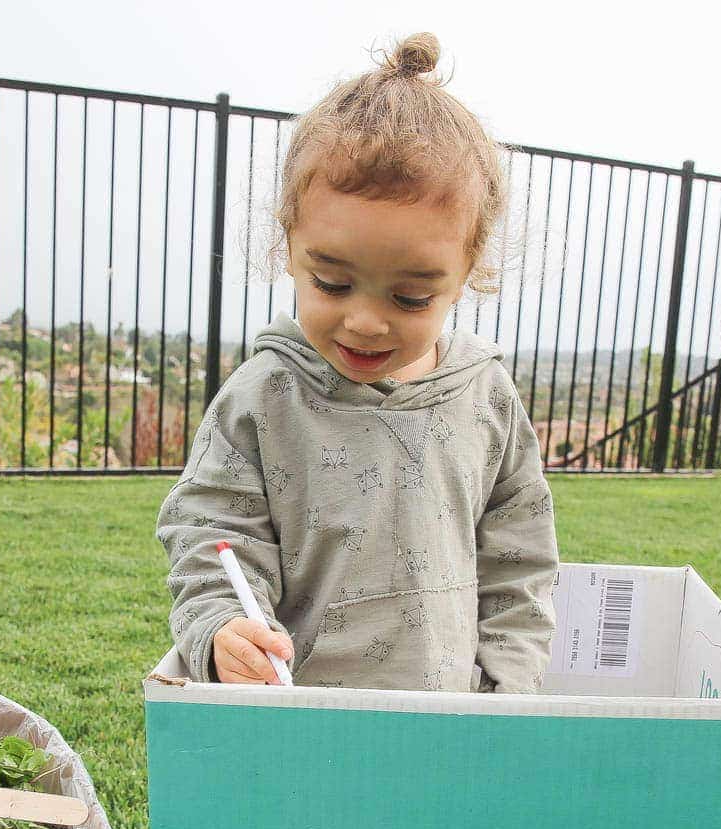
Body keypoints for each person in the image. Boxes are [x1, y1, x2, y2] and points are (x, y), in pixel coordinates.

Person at [157, 32, 558, 691]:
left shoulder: (486, 398)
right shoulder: (262, 397)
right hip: (297, 728)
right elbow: (211, 537)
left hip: (455, 728)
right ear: (291, 245)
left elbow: (521, 563)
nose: (366, 321)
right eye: (334, 284)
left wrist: (505, 688)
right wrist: (224, 627)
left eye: (410, 295)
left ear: (468, 272)